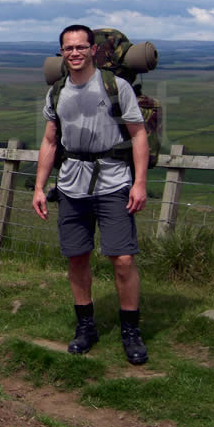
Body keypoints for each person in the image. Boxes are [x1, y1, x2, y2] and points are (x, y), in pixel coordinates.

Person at [31, 24, 150, 365]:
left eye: (81, 47)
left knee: (123, 259)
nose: (75, 53)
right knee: (77, 257)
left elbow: (138, 135)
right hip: (71, 186)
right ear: (62, 53)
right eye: (68, 48)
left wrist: (139, 183)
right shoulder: (56, 92)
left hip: (114, 182)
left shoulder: (117, 87)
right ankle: (86, 327)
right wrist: (39, 187)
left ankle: (131, 331)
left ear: (93, 50)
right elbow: (50, 141)